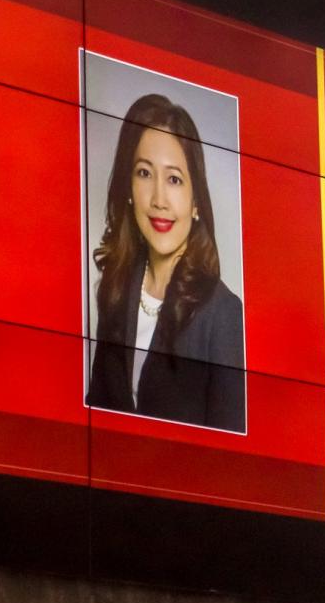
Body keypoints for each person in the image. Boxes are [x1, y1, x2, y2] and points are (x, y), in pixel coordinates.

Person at [86, 93, 245, 433]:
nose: (159, 199)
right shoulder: (116, 287)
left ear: (195, 200)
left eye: (174, 179)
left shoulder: (222, 313)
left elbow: (232, 452)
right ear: (129, 189)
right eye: (144, 173)